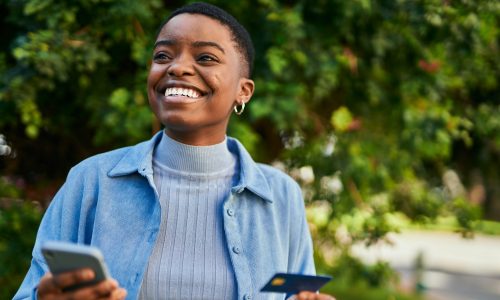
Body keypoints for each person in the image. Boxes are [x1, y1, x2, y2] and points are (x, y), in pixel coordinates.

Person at [14, 2, 335, 300]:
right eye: (163, 56)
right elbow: (32, 291)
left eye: (206, 58)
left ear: (243, 91)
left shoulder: (281, 197)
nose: (177, 67)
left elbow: (300, 293)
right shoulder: (92, 181)